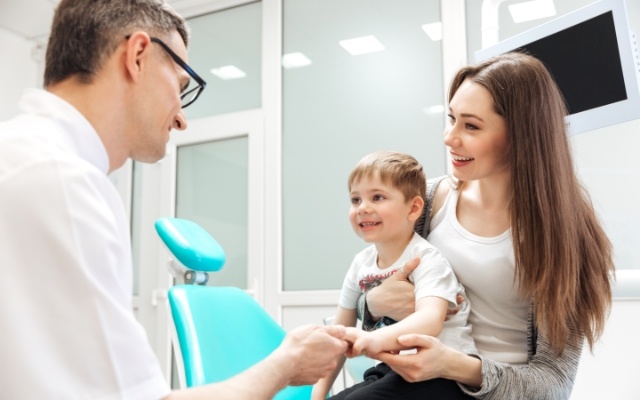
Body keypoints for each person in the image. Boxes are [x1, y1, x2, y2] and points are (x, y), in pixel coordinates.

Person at [0, 0, 347, 399]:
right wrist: (287, 365)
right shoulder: (60, 182)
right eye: (181, 87)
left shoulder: (27, 160)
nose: (182, 117)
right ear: (138, 56)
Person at [357, 52, 615, 399]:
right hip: (410, 376)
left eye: (471, 126)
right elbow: (365, 292)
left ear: (521, 135)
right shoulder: (427, 200)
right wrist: (373, 303)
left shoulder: (567, 234)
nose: (450, 137)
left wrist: (454, 365)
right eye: (451, 119)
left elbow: (554, 384)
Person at [312, 151, 476, 400]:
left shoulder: (427, 258)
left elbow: (429, 320)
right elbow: (339, 335)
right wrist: (318, 395)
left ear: (413, 208)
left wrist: (371, 339)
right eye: (355, 200)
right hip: (393, 368)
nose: (363, 208)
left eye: (377, 197)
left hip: (443, 373)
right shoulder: (360, 264)